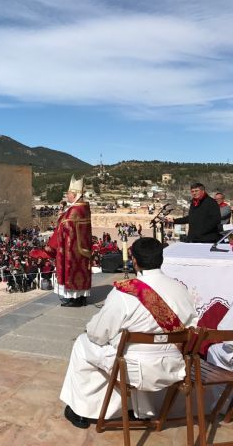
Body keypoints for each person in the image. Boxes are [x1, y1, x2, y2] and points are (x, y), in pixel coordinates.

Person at [60, 238, 198, 428]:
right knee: (132, 350)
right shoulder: (181, 289)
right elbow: (192, 326)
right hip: (172, 368)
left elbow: (98, 334)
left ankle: (81, 410)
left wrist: (92, 329)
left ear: (134, 261)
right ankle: (141, 410)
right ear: (161, 259)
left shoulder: (125, 293)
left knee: (83, 344)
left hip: (133, 370)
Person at [45, 176, 92, 307]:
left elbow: (62, 227)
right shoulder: (84, 207)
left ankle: (75, 299)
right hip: (83, 248)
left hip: (73, 249)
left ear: (75, 194)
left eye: (69, 193)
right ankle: (81, 297)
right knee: (81, 272)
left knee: (72, 272)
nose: (67, 195)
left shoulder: (74, 210)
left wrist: (51, 246)